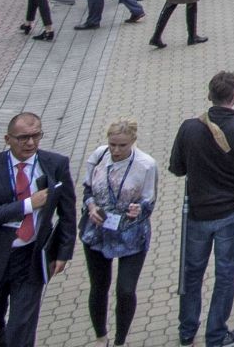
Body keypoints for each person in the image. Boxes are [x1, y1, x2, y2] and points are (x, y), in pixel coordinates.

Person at [0, 111, 75, 347]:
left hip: (30, 257)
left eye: (36, 135)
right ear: (7, 139)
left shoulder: (56, 164)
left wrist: (63, 252)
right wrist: (28, 204)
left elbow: (68, 212)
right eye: (23, 137)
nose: (30, 143)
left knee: (21, 330)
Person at [170, 70, 234, 347]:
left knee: (192, 271)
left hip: (198, 212)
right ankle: (216, 334)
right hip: (231, 213)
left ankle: (187, 330)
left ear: (209, 96)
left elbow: (177, 168)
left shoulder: (189, 127)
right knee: (225, 274)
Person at [79, 118, 156, 347]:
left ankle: (120, 341)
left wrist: (138, 209)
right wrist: (91, 207)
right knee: (99, 286)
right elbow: (87, 190)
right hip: (99, 230)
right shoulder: (99, 156)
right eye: (112, 144)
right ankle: (101, 337)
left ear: (133, 141)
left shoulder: (146, 165)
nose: (116, 150)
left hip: (130, 233)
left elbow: (149, 202)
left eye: (122, 145)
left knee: (125, 290)